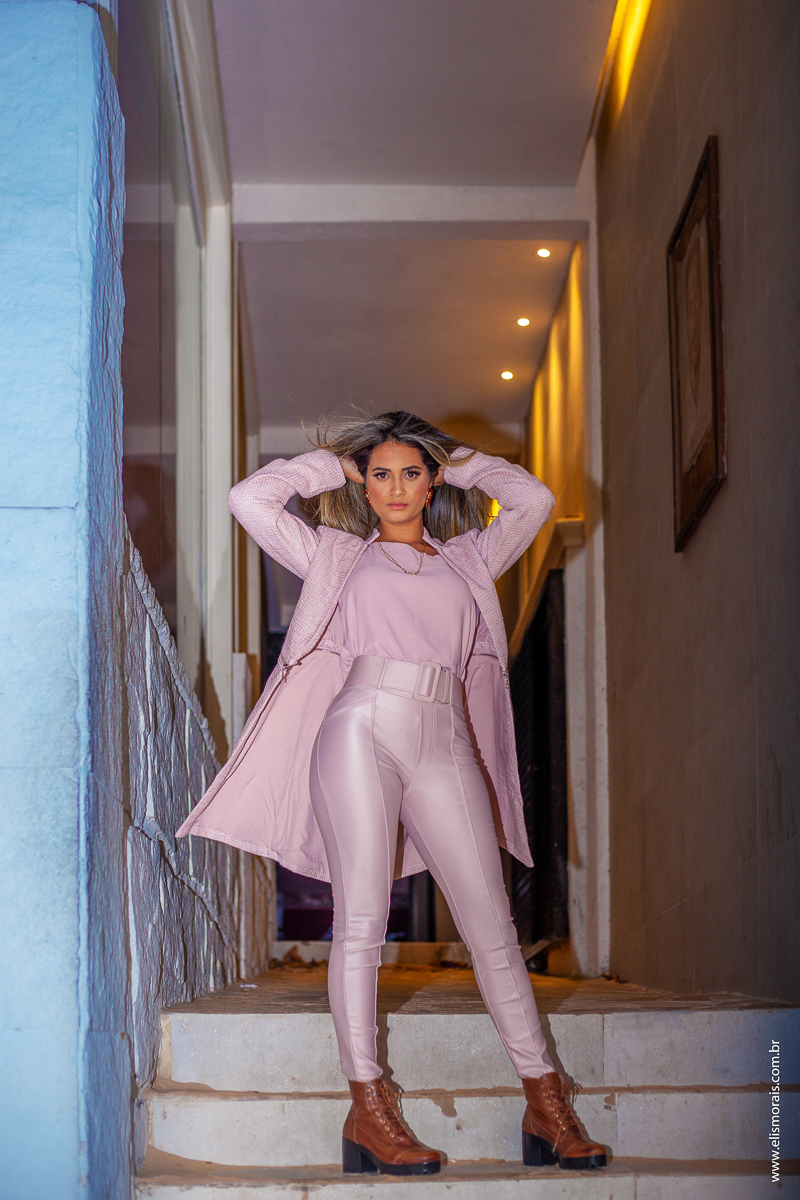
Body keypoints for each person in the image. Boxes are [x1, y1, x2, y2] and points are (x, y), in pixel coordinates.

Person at [177, 411, 606, 1176]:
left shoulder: (471, 556)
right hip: (359, 727)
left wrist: (459, 454)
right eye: (381, 474)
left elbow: (533, 500)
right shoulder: (336, 555)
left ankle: (547, 1103)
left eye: (412, 472)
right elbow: (251, 500)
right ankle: (369, 1110)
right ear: (364, 484)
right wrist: (329, 463)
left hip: (445, 736)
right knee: (363, 924)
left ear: (432, 480)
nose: (397, 488)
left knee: (493, 927)